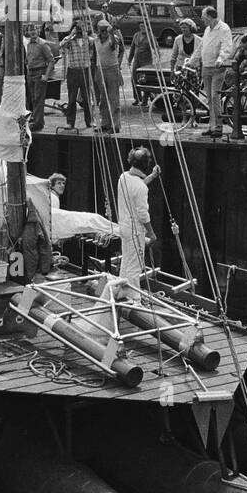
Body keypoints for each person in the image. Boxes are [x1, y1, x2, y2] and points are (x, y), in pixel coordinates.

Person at [117, 147, 160, 301]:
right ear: (145, 164)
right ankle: (134, 299)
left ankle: (121, 292)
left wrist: (153, 176)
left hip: (123, 227)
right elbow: (143, 214)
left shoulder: (123, 177)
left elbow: (138, 185)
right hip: (135, 230)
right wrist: (152, 233)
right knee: (135, 266)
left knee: (126, 262)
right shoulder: (140, 187)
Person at [187, 5, 232, 139]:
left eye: (204, 17)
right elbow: (202, 47)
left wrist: (221, 58)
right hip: (206, 66)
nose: (202, 19)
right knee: (209, 99)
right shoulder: (207, 29)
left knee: (214, 96)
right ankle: (211, 126)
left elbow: (227, 45)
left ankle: (218, 127)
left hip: (217, 68)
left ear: (211, 17)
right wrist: (192, 61)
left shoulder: (223, 28)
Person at [93, 20, 125, 133]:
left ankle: (115, 125)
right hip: (100, 70)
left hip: (112, 69)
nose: (104, 33)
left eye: (106, 30)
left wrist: (111, 32)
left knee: (113, 99)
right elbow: (94, 56)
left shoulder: (113, 38)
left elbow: (112, 46)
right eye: (102, 31)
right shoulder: (95, 40)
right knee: (103, 99)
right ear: (98, 31)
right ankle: (105, 123)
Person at [61, 22, 93, 129]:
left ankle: (89, 121)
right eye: (78, 29)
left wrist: (85, 34)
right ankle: (70, 122)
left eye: (81, 28)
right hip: (73, 71)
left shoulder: (88, 40)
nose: (79, 31)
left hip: (85, 70)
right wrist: (71, 35)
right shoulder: (69, 40)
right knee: (72, 98)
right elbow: (61, 46)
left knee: (87, 98)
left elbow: (94, 45)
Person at [25, 24, 54, 132]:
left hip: (40, 72)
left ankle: (37, 123)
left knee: (38, 99)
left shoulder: (42, 44)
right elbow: (28, 59)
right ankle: (37, 120)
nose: (32, 32)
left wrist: (46, 75)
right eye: (30, 30)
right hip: (31, 74)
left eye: (34, 30)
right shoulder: (28, 44)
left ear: (37, 31)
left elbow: (51, 60)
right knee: (33, 98)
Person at [128, 23, 152, 105]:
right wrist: (129, 60)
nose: (143, 28)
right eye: (141, 26)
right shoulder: (136, 35)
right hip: (136, 60)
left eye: (144, 26)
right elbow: (132, 47)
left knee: (145, 80)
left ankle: (145, 100)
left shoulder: (150, 36)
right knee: (134, 79)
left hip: (146, 62)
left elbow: (155, 48)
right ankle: (137, 98)